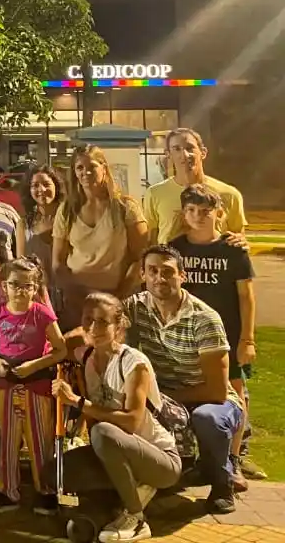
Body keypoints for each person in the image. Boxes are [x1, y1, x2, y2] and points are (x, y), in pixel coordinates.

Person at [50, 293, 181, 543]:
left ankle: (136, 517)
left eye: (103, 322)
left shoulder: (134, 363)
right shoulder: (85, 356)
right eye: (88, 320)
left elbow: (131, 421)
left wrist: (78, 402)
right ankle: (124, 495)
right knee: (54, 472)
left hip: (160, 459)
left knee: (103, 432)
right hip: (115, 450)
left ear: (118, 326)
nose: (93, 328)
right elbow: (57, 346)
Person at [123, 245, 243, 514]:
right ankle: (167, 475)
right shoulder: (135, 307)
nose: (159, 278)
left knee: (208, 419)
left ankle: (223, 483)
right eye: (152, 271)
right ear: (142, 275)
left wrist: (159, 396)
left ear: (182, 276)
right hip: (167, 396)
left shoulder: (205, 318)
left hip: (210, 400)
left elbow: (217, 391)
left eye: (168, 272)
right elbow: (99, 324)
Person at [169, 183, 258, 485]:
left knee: (235, 393)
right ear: (184, 214)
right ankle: (199, 459)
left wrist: (247, 339)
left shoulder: (233, 250)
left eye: (206, 211)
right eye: (192, 210)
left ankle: (233, 461)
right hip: (188, 338)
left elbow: (246, 297)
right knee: (193, 395)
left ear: (219, 213)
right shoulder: (177, 249)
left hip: (228, 336)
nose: (198, 216)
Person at [0, 257, 67, 514]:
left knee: (40, 438)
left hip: (36, 383)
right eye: (16, 285)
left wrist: (35, 366)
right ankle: (7, 489)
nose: (21, 291)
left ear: (35, 287)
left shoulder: (42, 314)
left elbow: (60, 350)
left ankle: (46, 489)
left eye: (27, 286)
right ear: (5, 286)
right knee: (9, 438)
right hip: (7, 383)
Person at [53, 145, 148, 327]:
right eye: (80, 168)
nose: (85, 172)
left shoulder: (126, 207)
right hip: (77, 301)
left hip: (119, 298)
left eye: (92, 167)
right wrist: (79, 299)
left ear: (104, 168)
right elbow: (58, 263)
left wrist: (117, 298)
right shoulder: (67, 210)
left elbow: (140, 259)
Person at [144, 128, 247, 244]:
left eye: (189, 148)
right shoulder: (155, 193)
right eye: (177, 149)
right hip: (171, 261)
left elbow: (239, 238)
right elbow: (151, 239)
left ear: (203, 152)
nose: (185, 154)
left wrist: (241, 240)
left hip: (214, 260)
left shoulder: (230, 194)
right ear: (168, 154)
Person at [21, 165, 64, 295]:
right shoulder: (23, 224)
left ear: (56, 186)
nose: (41, 189)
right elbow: (21, 265)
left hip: (69, 293)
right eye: (35, 185)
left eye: (46, 184)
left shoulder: (69, 218)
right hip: (38, 294)